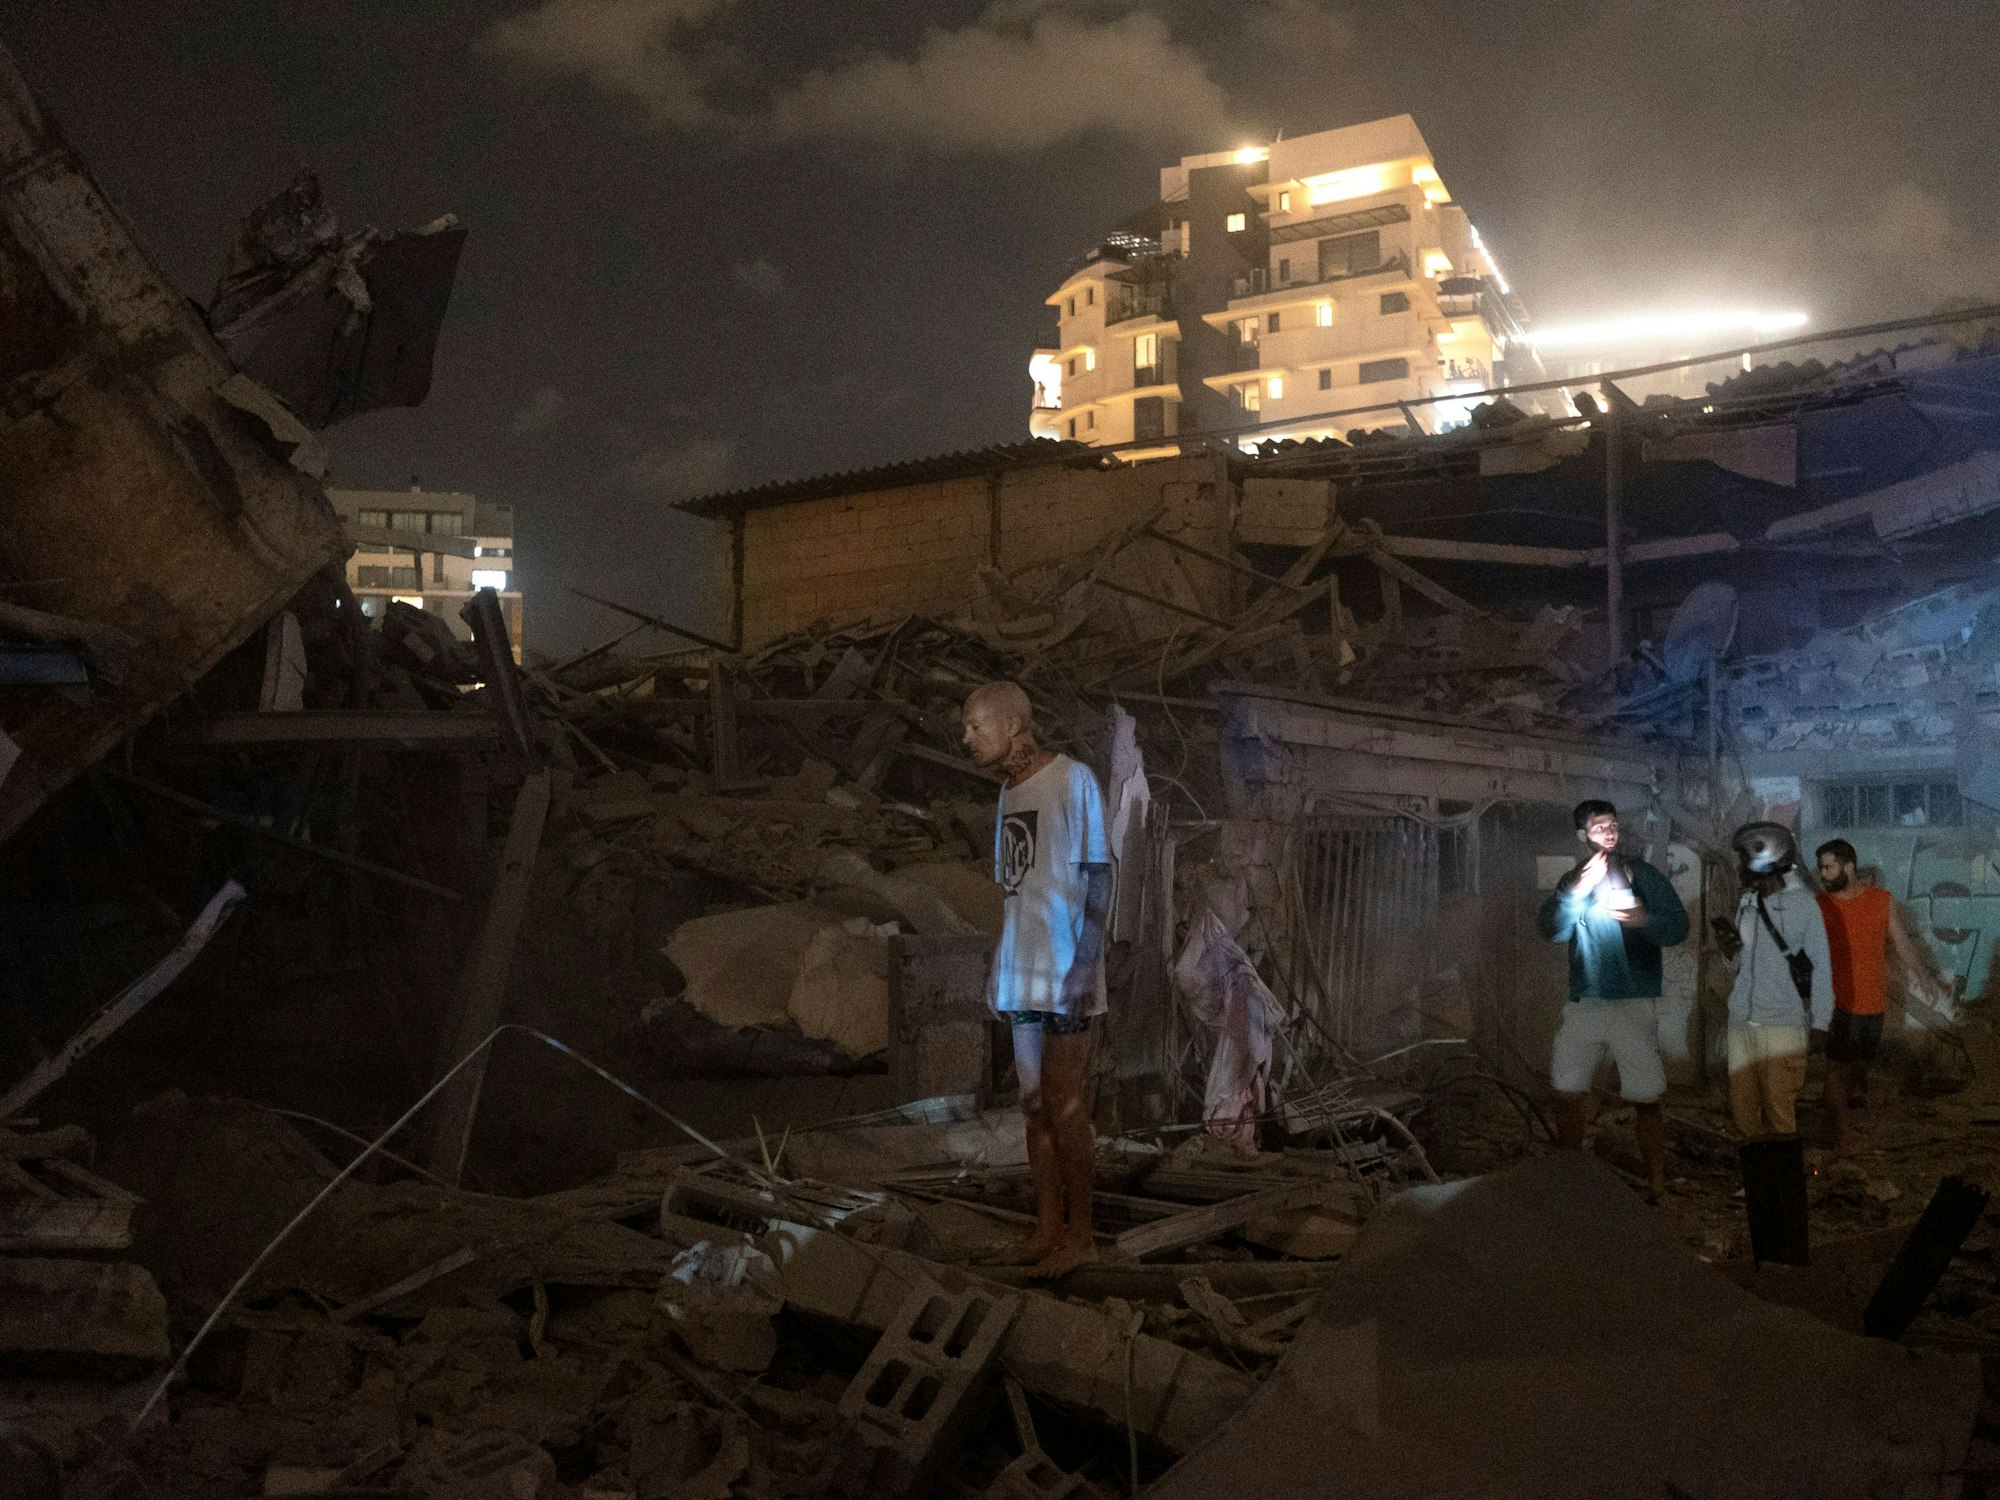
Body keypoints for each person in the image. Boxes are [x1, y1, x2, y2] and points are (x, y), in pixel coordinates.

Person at [962, 681, 1111, 1279]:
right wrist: (999, 962)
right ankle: (1048, 1228)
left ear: (1014, 724)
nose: (965, 737)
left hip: (1065, 970)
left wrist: (1085, 965)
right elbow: (1014, 890)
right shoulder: (1008, 795)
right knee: (1032, 1105)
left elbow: (1100, 877)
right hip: (1022, 975)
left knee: (1065, 1104)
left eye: (975, 724)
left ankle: (1084, 1235)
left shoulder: (1073, 781)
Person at [1538, 800, 1690, 1202]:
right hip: (1586, 1001)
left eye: (1613, 825)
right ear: (1581, 835)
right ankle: (1571, 1176)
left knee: (1645, 1095)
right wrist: (1574, 894)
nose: (1609, 832)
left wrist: (1642, 919)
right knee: (1567, 1091)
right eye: (1599, 826)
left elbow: (1677, 927)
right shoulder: (1573, 880)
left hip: (1633, 1002)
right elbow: (1552, 931)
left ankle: (1656, 1182)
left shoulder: (1642, 875)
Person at [1814, 839, 1935, 1153]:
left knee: (1860, 1062)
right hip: (1838, 1005)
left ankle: (1846, 1100)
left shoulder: (1881, 900)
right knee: (1836, 1070)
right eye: (1821, 868)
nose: (1823, 874)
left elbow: (1902, 944)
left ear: (1849, 867)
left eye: (1829, 866)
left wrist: (1923, 977)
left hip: (1873, 1004)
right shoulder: (1820, 906)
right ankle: (1840, 1136)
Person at [1723, 822, 1832, 1138]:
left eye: (1744, 858)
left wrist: (1822, 1024)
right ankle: (1757, 1185)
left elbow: (1823, 967)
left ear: (1767, 857)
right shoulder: (1747, 902)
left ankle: (1783, 1185)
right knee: (1744, 1113)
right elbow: (1741, 964)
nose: (1740, 866)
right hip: (1741, 1021)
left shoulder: (1804, 906)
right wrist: (1729, 953)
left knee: (1779, 1114)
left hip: (1781, 1025)